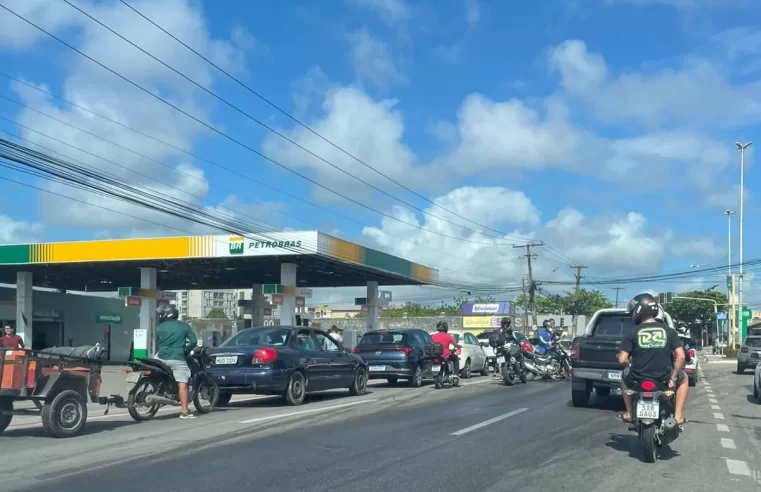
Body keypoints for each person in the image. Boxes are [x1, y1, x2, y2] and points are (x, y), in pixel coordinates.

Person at [618, 293, 687, 425]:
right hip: (664, 377)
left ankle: (629, 413)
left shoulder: (632, 333)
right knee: (684, 379)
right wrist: (673, 378)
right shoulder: (669, 331)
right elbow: (681, 356)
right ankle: (678, 416)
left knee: (623, 377)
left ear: (638, 310)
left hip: (638, 377)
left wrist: (630, 365)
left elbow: (622, 360)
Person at [154, 304, 198, 420]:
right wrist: (186, 351)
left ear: (167, 314)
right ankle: (184, 411)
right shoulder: (184, 326)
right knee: (183, 382)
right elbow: (193, 341)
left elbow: (158, 343)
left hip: (160, 357)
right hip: (177, 358)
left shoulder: (160, 327)